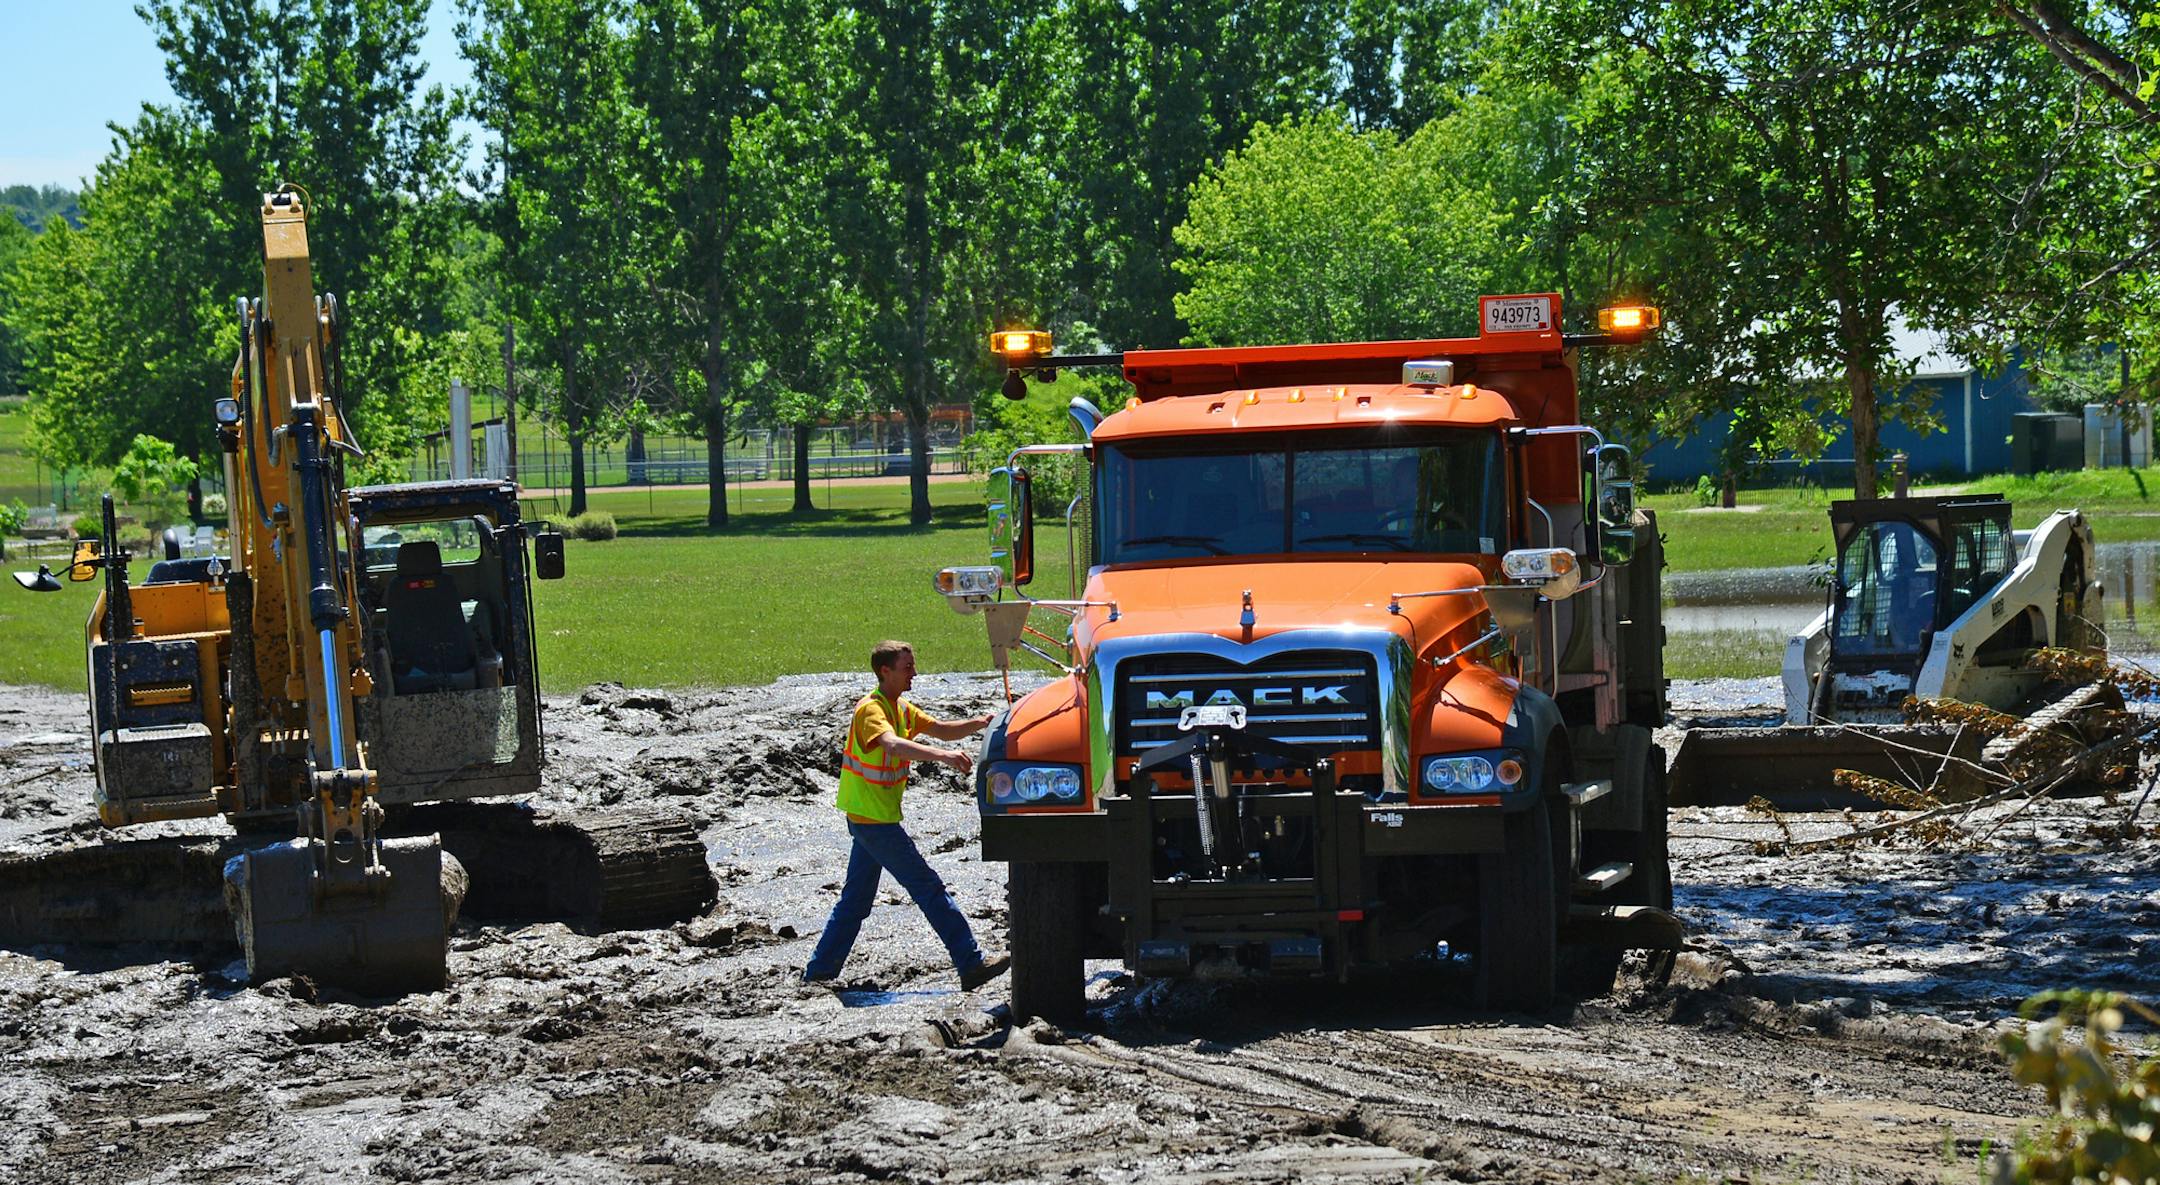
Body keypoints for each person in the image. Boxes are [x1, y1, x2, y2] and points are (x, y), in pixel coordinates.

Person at [803, 640, 1009, 990]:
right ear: (885, 672)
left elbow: (941, 728)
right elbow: (893, 745)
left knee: (855, 901)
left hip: (871, 819)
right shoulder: (872, 710)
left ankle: (819, 972)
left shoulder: (898, 707)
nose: (914, 672)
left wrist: (982, 723)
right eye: (907, 667)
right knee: (928, 887)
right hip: (875, 823)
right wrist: (943, 757)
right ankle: (970, 961)